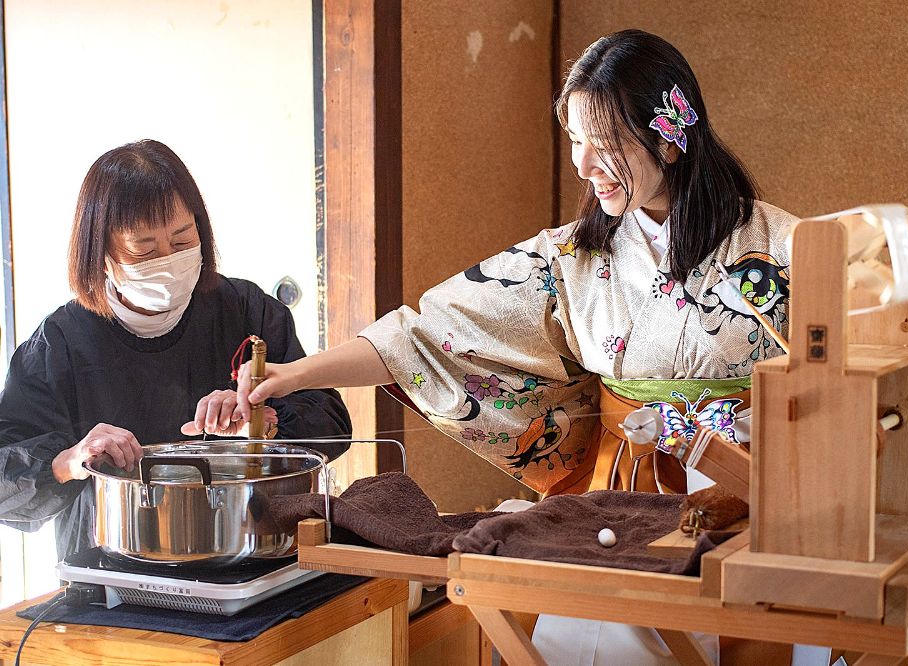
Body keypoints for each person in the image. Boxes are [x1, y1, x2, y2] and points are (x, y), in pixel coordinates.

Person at [237, 29, 799, 665]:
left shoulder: (783, 248)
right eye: (576, 141)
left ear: (668, 136)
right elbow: (428, 333)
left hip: (748, 491)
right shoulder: (572, 257)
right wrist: (296, 375)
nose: (584, 165)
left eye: (605, 143)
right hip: (620, 494)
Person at [0, 140, 352, 562]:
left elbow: (331, 421)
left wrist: (263, 422)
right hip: (110, 564)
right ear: (101, 254)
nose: (167, 262)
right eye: (144, 251)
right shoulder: (59, 344)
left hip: (249, 551)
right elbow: (6, 481)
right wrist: (70, 460)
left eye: (183, 240)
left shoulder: (245, 310)